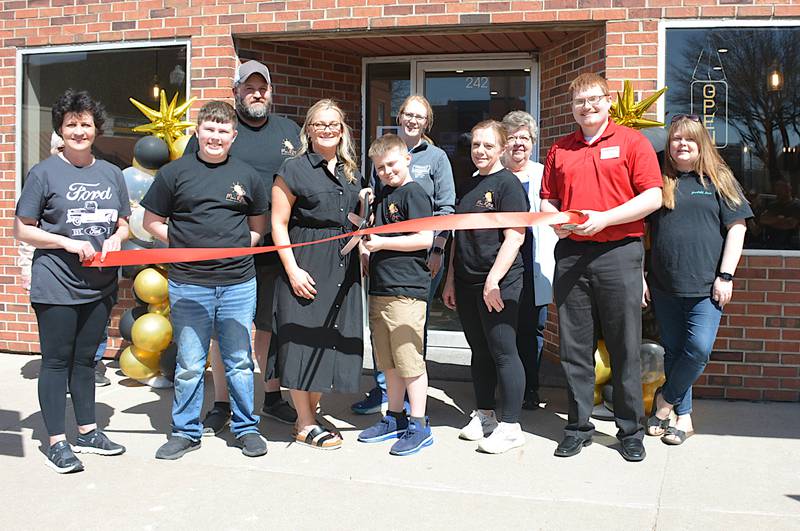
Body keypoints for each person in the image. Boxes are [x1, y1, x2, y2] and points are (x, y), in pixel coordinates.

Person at [540, 73, 663, 462]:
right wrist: (555, 220)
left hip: (619, 254)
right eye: (579, 101)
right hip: (573, 254)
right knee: (575, 348)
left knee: (624, 344)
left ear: (608, 101)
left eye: (594, 99)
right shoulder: (561, 149)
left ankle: (630, 429)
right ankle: (577, 426)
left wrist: (606, 218)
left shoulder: (632, 142)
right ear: (572, 107)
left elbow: (654, 197)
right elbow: (547, 200)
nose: (587, 107)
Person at [142, 101, 269, 460]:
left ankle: (246, 428)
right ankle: (185, 431)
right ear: (198, 132)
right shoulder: (174, 174)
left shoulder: (247, 175)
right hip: (189, 284)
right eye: (209, 129)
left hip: (237, 284)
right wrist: (184, 245)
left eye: (222, 131)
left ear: (233, 136)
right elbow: (151, 221)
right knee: (190, 365)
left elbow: (258, 226)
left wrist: (243, 246)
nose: (215, 136)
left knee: (240, 361)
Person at [14, 89, 130, 473]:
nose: (79, 131)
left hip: (99, 284)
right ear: (60, 130)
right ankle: (56, 442)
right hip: (57, 283)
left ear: (97, 128)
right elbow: (23, 229)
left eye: (86, 124)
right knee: (56, 362)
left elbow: (123, 222)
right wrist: (65, 241)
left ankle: (87, 431)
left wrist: (117, 238)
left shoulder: (112, 172)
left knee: (85, 361)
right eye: (71, 125)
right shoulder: (44, 172)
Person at [186, 61, 302, 435]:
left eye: (263, 88)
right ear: (235, 91)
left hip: (275, 248)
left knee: (267, 325)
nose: (257, 93)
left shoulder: (289, 131)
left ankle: (270, 395)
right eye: (249, 87)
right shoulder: (220, 132)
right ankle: (221, 403)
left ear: (271, 91)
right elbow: (191, 183)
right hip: (226, 251)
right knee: (226, 328)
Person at [645, 114, 752, 445]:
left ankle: (664, 403)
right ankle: (684, 418)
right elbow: (641, 232)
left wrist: (726, 275)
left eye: (689, 139)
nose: (681, 144)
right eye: (675, 138)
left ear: (701, 144)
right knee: (675, 352)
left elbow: (737, 228)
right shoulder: (659, 181)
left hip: (707, 287)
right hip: (665, 285)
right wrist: (641, 275)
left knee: (698, 350)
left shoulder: (719, 180)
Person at [272, 99, 368, 450]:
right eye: (319, 124)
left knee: (328, 341)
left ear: (342, 130)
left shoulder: (351, 170)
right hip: (307, 262)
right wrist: (292, 269)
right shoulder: (292, 168)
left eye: (333, 124)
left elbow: (355, 218)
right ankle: (305, 422)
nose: (327, 129)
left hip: (343, 267)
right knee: (303, 342)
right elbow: (278, 224)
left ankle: (309, 414)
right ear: (308, 130)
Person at [352, 95, 455, 415]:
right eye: (408, 114)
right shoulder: (382, 155)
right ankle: (385, 393)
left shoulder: (436, 157)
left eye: (419, 116)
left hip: (417, 260)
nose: (412, 120)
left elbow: (445, 209)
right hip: (383, 263)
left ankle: (412, 404)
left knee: (409, 335)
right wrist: (366, 245)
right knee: (384, 336)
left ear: (428, 122)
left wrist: (437, 248)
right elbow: (372, 206)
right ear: (399, 117)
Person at [442, 120, 529, 454]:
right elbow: (457, 235)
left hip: (499, 283)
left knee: (503, 352)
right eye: (476, 144)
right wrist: (451, 279)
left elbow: (515, 235)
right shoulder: (468, 185)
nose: (480, 151)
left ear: (503, 148)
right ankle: (486, 415)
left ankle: (511, 426)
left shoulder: (508, 185)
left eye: (488, 146)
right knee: (479, 352)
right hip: (466, 281)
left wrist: (493, 280)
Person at [356, 134, 435, 455]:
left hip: (407, 291)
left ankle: (419, 424)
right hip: (380, 288)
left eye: (391, 164)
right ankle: (396, 416)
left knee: (409, 360)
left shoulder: (414, 193)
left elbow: (425, 238)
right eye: (380, 167)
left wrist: (382, 244)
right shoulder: (383, 195)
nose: (387, 171)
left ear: (407, 160)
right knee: (388, 361)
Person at [500, 110, 558, 409]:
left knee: (531, 329)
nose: (519, 144)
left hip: (534, 262)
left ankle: (530, 388)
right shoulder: (492, 175)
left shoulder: (542, 174)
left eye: (525, 138)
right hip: (501, 264)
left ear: (533, 143)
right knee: (503, 328)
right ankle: (506, 387)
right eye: (512, 138)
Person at [758, 179, 800, 250]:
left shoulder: (797, 205)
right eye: (776, 190)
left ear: (788, 190)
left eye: (780, 190)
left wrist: (771, 221)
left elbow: (790, 224)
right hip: (771, 243)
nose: (777, 192)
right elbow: (763, 220)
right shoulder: (772, 205)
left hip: (791, 245)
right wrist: (779, 219)